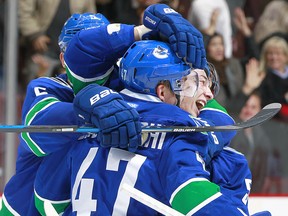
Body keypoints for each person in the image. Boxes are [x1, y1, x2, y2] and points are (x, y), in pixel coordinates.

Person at [0, 3, 208, 215]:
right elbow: (38, 126)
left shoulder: (126, 85)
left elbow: (206, 111)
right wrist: (85, 107)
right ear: (64, 59)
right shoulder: (47, 87)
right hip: (25, 208)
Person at [34, 40, 270, 215]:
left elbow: (47, 202)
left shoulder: (88, 123)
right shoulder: (179, 128)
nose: (202, 92)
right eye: (184, 82)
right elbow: (189, 194)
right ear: (162, 91)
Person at [18, 0, 97, 91]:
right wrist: (35, 35)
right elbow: (24, 12)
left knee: (70, 94)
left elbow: (91, 19)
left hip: (72, 53)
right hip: (43, 49)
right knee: (36, 90)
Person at [230, 90, 272, 193]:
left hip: (255, 193)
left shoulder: (263, 137)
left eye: (253, 107)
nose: (248, 110)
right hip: (232, 189)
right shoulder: (231, 132)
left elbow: (264, 172)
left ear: (260, 110)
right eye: (246, 105)